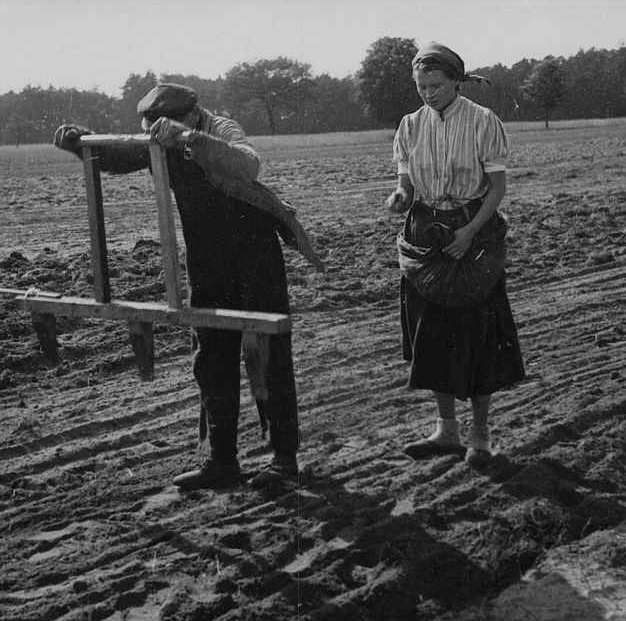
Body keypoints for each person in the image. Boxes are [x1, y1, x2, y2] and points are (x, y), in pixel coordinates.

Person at [53, 83, 323, 489]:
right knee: (211, 356)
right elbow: (118, 156)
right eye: (149, 128)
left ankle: (284, 461)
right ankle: (221, 462)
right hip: (207, 258)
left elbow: (249, 164)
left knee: (266, 353)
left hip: (254, 253)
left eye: (163, 127)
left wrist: (190, 139)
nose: (155, 135)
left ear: (192, 116)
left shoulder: (219, 126)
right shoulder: (157, 140)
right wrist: (80, 142)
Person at [386, 42, 526, 468]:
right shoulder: (410, 125)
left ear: (455, 81)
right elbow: (406, 184)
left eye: (435, 85)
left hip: (474, 235)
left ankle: (480, 435)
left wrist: (469, 231)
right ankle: (447, 430)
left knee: (477, 336)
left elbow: (497, 189)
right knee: (431, 334)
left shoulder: (483, 122)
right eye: (420, 86)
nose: (427, 93)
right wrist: (398, 196)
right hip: (426, 237)